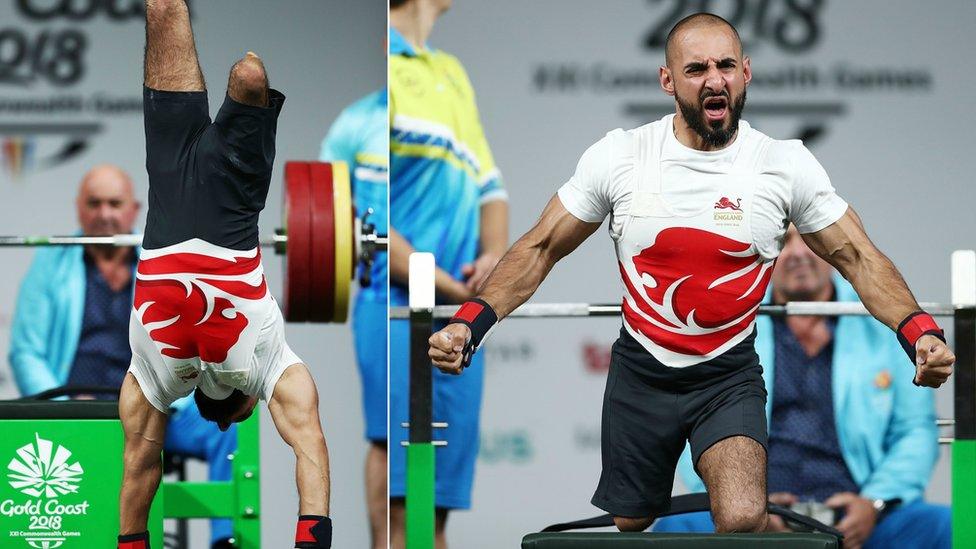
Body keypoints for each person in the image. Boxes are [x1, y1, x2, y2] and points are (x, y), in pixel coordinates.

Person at [428, 12, 954, 536]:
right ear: (667, 80)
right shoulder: (621, 156)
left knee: (744, 516)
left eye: (726, 65)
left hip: (727, 372)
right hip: (642, 370)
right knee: (633, 521)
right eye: (697, 69)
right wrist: (468, 324)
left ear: (746, 72)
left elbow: (857, 257)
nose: (714, 80)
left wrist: (920, 333)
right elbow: (540, 247)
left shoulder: (783, 164)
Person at [118, 2, 331, 548]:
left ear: (238, 408)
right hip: (174, 178)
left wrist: (313, 539)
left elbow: (309, 442)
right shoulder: (155, 376)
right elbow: (139, 466)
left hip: (219, 194)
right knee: (165, 9)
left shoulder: (262, 365)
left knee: (250, 72)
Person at [653, 226, 951, 549]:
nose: (798, 253)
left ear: (832, 247)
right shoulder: (728, 321)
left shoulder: (881, 319)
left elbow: (915, 431)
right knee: (674, 527)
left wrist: (874, 504)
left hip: (860, 513)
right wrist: (745, 504)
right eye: (782, 241)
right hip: (755, 509)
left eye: (810, 240)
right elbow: (694, 429)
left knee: (945, 526)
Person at [8, 164, 238, 548]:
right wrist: (65, 408)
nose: (105, 214)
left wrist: (170, 398)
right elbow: (26, 351)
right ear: (79, 210)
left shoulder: (160, 264)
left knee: (227, 424)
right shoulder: (50, 264)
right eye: (94, 203)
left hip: (155, 409)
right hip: (78, 411)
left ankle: (224, 539)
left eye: (114, 203)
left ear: (133, 209)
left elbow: (189, 341)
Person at [389, 0, 509, 546]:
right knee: (399, 506)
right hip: (396, 309)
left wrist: (493, 259)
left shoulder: (452, 72)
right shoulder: (381, 64)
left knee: (433, 512)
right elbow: (365, 217)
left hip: (459, 313)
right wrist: (458, 288)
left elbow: (491, 187)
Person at [319, 88, 389, 549]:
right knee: (384, 440)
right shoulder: (355, 122)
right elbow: (320, 215)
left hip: (446, 294)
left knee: (434, 459)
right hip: (379, 295)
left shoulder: (444, 106)